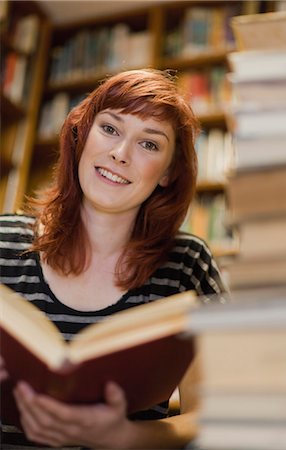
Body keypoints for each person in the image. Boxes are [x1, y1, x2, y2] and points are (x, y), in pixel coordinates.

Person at [0, 68, 226, 449]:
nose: (120, 154)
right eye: (109, 128)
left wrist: (125, 437)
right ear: (81, 134)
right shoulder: (3, 242)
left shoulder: (187, 265)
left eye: (149, 145)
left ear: (169, 172)